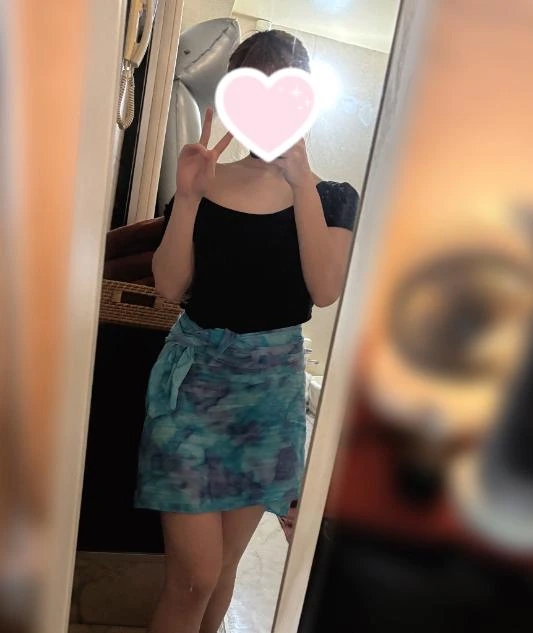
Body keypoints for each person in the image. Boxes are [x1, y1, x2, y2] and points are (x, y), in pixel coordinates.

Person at [134, 29, 359, 633]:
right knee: (194, 576)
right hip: (193, 388)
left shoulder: (333, 197)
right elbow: (169, 286)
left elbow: (324, 288)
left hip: (268, 398)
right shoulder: (202, 179)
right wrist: (187, 198)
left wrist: (302, 183)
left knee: (224, 567)